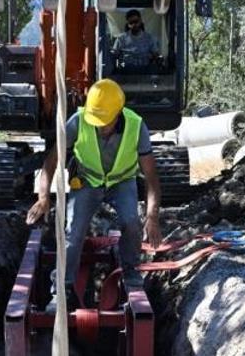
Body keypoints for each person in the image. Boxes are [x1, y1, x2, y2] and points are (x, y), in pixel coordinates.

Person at [26, 79, 162, 312]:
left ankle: (130, 272)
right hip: (87, 180)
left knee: (131, 222)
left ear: (118, 113)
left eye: (105, 122)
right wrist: (43, 197)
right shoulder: (77, 122)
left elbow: (151, 176)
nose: (100, 127)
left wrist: (152, 215)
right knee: (74, 230)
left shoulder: (136, 127)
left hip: (122, 181)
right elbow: (51, 162)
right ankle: (62, 289)